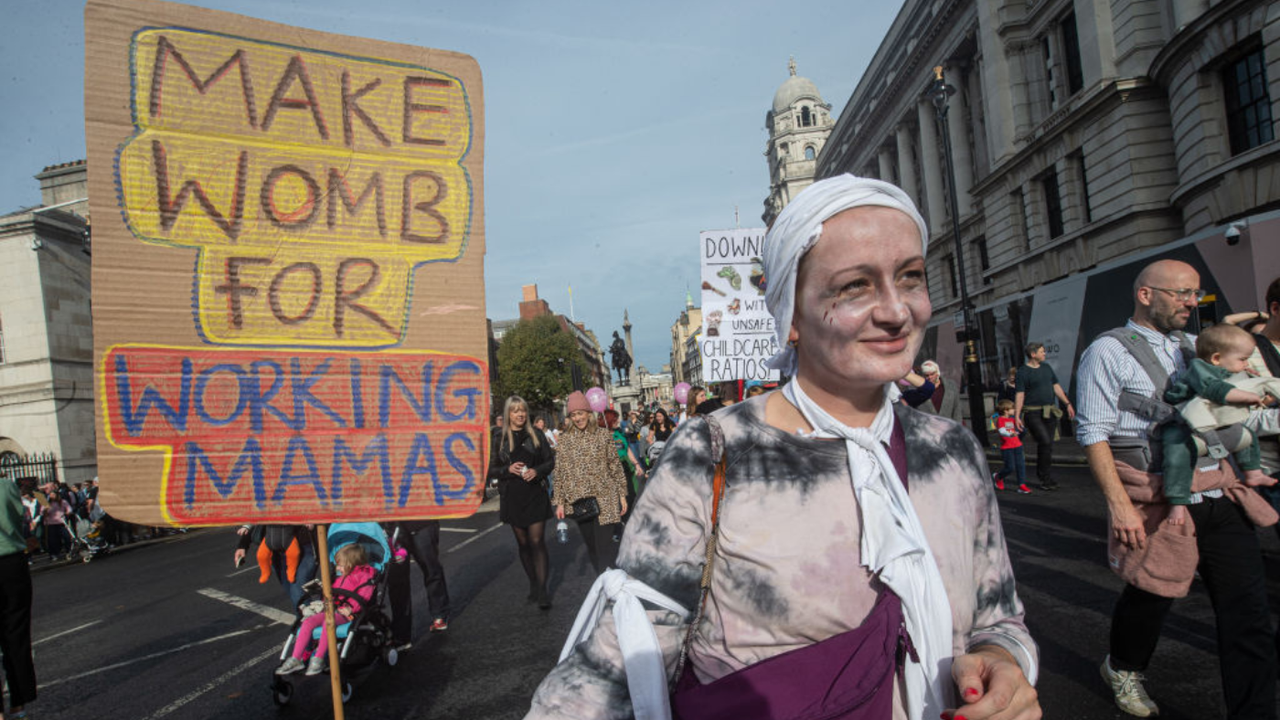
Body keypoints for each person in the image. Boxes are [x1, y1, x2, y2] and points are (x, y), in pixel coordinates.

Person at [528, 175, 1039, 720]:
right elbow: (613, 667)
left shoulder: (952, 450)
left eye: (910, 278)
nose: (896, 311)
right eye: (856, 286)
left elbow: (998, 619)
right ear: (790, 315)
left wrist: (1001, 662)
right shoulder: (714, 449)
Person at [1076, 259, 1277, 718]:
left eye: (1195, 293)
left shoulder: (1197, 347)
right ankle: (1124, 667)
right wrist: (1120, 507)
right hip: (1154, 495)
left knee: (1248, 615)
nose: (1192, 302)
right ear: (1146, 295)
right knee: (1152, 594)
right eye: (1181, 293)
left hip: (1217, 492)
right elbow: (1092, 433)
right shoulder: (1107, 351)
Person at [1162, 324, 1277, 527]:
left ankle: (1253, 473)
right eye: (1242, 359)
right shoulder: (1200, 368)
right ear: (1216, 358)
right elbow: (1216, 390)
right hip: (1187, 424)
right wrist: (1248, 395)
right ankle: (1177, 500)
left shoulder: (1227, 370)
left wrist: (1247, 377)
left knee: (1247, 436)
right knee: (1178, 454)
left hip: (1214, 423)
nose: (1246, 363)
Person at [488, 396, 555, 608]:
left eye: (523, 410)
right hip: (512, 496)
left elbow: (550, 461)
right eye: (516, 411)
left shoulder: (536, 435)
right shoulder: (499, 438)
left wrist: (537, 471)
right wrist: (506, 470)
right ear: (508, 414)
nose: (520, 414)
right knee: (523, 543)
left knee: (536, 541)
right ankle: (533, 583)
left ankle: (543, 591)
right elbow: (490, 469)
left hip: (535, 493)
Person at [552, 393, 629, 575]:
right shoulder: (564, 440)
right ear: (570, 417)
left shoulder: (603, 435)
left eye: (581, 413)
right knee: (593, 549)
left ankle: (613, 592)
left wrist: (622, 494)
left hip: (606, 498)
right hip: (580, 501)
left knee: (604, 548)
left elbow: (615, 466)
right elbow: (560, 472)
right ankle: (604, 586)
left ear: (588, 412)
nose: (578, 418)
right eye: (574, 415)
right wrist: (560, 502)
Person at [276, 543, 377, 676]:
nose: (338, 568)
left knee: (327, 624)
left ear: (352, 564)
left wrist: (350, 608)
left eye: (340, 565)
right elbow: (332, 594)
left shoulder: (364, 577)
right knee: (308, 622)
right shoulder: (340, 577)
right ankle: (296, 658)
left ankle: (318, 658)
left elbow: (364, 595)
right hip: (332, 609)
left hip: (347, 614)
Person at [1014, 342, 1075, 491]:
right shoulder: (1022, 372)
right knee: (1045, 441)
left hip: (1049, 411)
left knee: (1047, 446)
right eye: (1042, 352)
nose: (1044, 354)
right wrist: (1017, 416)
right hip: (1032, 413)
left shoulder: (1047, 368)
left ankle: (1045, 478)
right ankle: (1043, 477)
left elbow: (1056, 387)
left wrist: (1067, 403)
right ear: (1033, 354)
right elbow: (1020, 394)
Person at [0, 475, 36, 719]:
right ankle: (19, 703)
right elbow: (19, 517)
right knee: (17, 634)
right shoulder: (7, 486)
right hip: (11, 563)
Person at [387, 520, 452, 650]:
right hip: (393, 526)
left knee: (431, 569)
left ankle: (440, 613)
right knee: (397, 581)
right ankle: (401, 636)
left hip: (422, 523)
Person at [233, 525, 318, 612]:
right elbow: (256, 516)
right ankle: (318, 614)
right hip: (276, 549)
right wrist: (243, 545)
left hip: (306, 547)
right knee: (296, 595)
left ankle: (308, 622)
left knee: (298, 593)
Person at [993, 400, 1031, 494]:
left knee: (1021, 466)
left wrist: (1022, 430)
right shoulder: (1001, 420)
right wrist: (1011, 434)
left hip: (1017, 446)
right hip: (1007, 448)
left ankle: (1021, 485)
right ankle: (998, 477)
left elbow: (1018, 430)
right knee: (1010, 467)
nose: (1014, 410)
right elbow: (1002, 431)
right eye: (1012, 408)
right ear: (1006, 410)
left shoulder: (1012, 419)